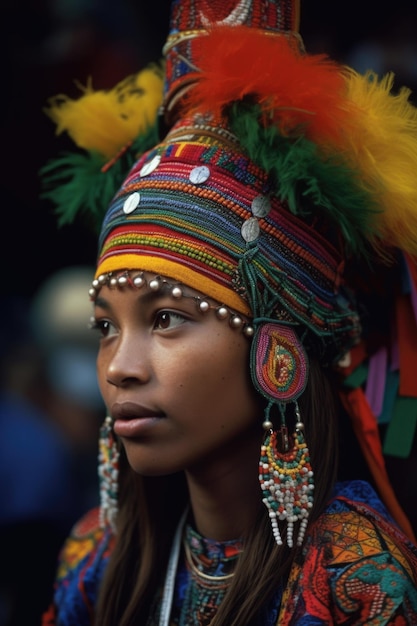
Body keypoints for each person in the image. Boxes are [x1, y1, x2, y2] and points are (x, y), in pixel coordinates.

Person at [40, 0, 417, 624]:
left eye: (164, 318)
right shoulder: (98, 557)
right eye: (105, 326)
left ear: (278, 348)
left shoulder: (356, 580)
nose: (119, 369)